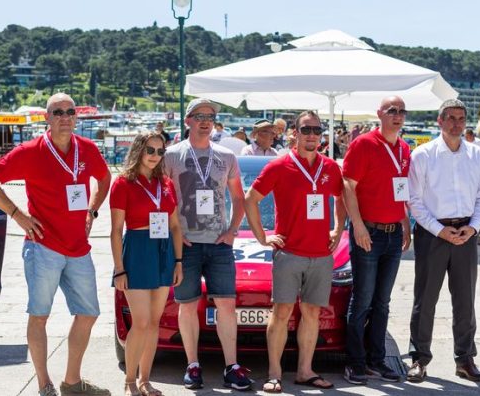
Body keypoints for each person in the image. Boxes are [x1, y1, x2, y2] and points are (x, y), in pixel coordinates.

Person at [0, 93, 112, 396]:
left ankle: (72, 382)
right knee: (39, 316)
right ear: (47, 118)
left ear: (76, 117)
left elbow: (105, 179)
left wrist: (92, 210)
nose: (65, 117)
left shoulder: (87, 149)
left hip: (79, 248)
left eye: (70, 112)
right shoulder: (30, 151)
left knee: (89, 313)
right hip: (43, 247)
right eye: (58, 112)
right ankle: (44, 385)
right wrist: (17, 214)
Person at [244, 110, 345, 393]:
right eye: (306, 130)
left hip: (321, 254)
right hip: (289, 253)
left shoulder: (330, 167)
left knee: (312, 313)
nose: (312, 135)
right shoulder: (279, 166)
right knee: (282, 313)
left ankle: (305, 371)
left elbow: (342, 197)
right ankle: (274, 373)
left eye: (316, 130)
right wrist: (262, 237)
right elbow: (250, 199)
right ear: (294, 133)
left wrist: (338, 229)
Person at [163, 98, 253, 390]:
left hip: (218, 244)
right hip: (186, 244)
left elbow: (239, 197)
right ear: (187, 120)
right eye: (199, 116)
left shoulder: (226, 155)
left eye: (210, 116)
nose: (205, 121)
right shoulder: (171, 155)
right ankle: (192, 365)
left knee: (226, 304)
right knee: (187, 305)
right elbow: (161, 198)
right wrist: (174, 234)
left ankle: (232, 366)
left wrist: (232, 230)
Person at [406, 98, 480, 383]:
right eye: (451, 118)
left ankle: (465, 360)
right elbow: (414, 200)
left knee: (465, 300)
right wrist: (439, 230)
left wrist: (474, 227)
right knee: (425, 299)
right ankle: (419, 359)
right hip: (433, 234)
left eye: (461, 118)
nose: (457, 124)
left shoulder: (477, 155)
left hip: (466, 232)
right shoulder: (423, 155)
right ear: (440, 121)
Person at [341, 95, 411, 385]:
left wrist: (405, 223)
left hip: (393, 234)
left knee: (382, 302)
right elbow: (348, 185)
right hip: (368, 232)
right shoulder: (363, 144)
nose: (398, 115)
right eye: (392, 110)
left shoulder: (404, 148)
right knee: (362, 301)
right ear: (379, 114)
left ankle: (377, 359)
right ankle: (355, 362)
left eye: (402, 111)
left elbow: (400, 190)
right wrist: (357, 225)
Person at [110, 132, 184, 396]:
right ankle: (129, 381)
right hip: (137, 251)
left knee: (154, 322)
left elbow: (175, 226)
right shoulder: (123, 183)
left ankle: (145, 380)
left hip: (163, 252)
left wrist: (178, 261)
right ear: (139, 150)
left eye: (160, 152)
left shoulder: (166, 183)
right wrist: (119, 269)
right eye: (150, 150)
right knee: (140, 322)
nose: (155, 156)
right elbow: (116, 230)